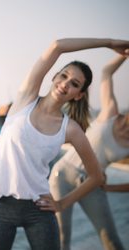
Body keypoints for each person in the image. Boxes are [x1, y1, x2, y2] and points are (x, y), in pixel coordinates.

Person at [0, 38, 129, 250]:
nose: (65, 83)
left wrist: (62, 204)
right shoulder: (26, 98)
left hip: (39, 209)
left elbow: (96, 176)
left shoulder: (70, 129)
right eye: (64, 76)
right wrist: (108, 43)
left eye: (74, 84)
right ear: (54, 76)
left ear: (78, 95)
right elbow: (57, 46)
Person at [49, 54, 129, 250]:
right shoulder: (110, 111)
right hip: (62, 175)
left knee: (111, 240)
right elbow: (107, 72)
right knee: (61, 239)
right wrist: (126, 52)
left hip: (93, 184)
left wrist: (109, 188)